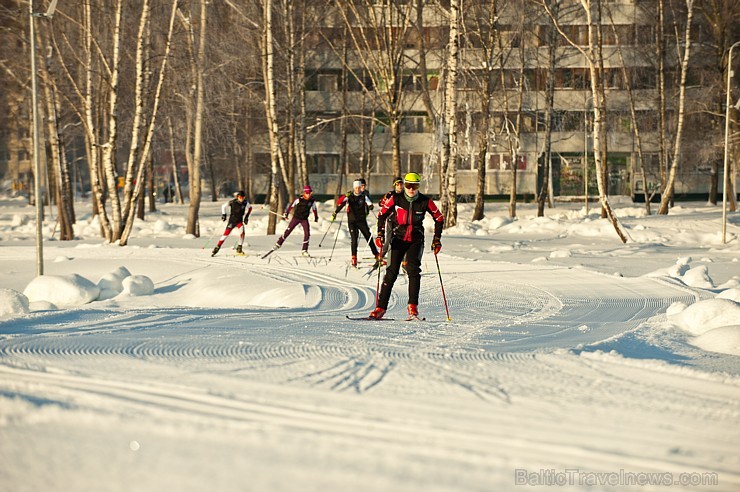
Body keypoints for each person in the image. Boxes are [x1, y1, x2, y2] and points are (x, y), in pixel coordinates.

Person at [369, 172, 443, 320]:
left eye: (414, 186)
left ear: (418, 187)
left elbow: (439, 218)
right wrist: (380, 234)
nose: (411, 189)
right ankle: (380, 308)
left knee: (413, 270)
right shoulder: (396, 198)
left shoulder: (425, 201)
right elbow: (382, 215)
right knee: (391, 272)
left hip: (415, 239)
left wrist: (436, 239)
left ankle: (413, 308)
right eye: (408, 185)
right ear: (404, 185)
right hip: (398, 238)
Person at [332, 179, 381, 267]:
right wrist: (335, 212)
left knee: (368, 237)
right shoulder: (350, 196)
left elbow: (370, 204)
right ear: (354, 188)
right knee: (354, 239)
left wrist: (371, 206)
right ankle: (354, 257)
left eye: (359, 187)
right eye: (356, 188)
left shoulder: (363, 196)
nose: (358, 189)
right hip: (352, 221)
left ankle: (376, 255)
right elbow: (340, 203)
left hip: (361, 221)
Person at [274, 185, 319, 256]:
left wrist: (316, 217)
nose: (309, 194)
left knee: (307, 233)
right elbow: (291, 206)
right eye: (307, 193)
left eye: (310, 192)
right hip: (296, 218)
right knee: (288, 231)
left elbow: (314, 209)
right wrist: (286, 213)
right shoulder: (299, 199)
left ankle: (304, 250)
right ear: (304, 193)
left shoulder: (312, 200)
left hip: (304, 219)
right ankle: (278, 243)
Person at [212, 190, 252, 256]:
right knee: (225, 235)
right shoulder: (233, 202)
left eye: (242, 197)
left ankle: (239, 248)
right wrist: (224, 214)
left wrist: (246, 217)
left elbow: (250, 208)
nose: (241, 199)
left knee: (242, 233)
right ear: (237, 197)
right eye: (240, 197)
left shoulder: (245, 203)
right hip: (232, 221)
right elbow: (223, 206)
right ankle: (217, 247)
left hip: (239, 221)